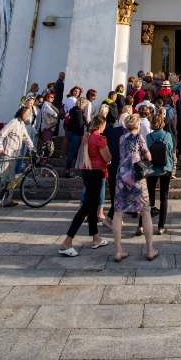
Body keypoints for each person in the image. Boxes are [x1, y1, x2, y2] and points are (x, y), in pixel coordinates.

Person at [59, 114, 111, 255]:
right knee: (86, 208)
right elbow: (107, 157)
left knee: (93, 206)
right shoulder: (99, 139)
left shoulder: (86, 137)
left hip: (87, 171)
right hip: (96, 172)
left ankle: (96, 238)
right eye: (104, 125)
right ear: (101, 126)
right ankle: (67, 241)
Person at [112, 114, 158, 262]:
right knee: (145, 212)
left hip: (122, 176)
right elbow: (148, 157)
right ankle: (150, 249)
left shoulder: (121, 138)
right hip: (136, 177)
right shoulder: (139, 138)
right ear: (137, 126)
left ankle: (118, 251)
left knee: (118, 212)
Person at [137, 113, 174, 235]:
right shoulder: (167, 135)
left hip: (152, 169)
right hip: (165, 168)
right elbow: (171, 150)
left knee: (148, 197)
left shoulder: (149, 137)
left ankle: (141, 225)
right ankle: (161, 226)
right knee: (164, 197)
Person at [0, 104, 35, 206]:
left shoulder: (21, 125)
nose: (28, 116)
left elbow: (26, 138)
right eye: (27, 114)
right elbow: (1, 134)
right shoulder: (13, 122)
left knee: (11, 179)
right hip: (7, 154)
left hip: (14, 156)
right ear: (22, 113)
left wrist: (32, 148)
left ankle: (7, 200)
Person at [102, 120, 128, 231]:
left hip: (111, 163)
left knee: (114, 191)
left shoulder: (112, 131)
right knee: (121, 193)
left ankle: (115, 218)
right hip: (120, 165)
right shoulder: (125, 132)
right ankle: (110, 218)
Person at [64, 98, 87, 179]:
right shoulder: (79, 112)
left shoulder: (73, 110)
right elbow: (79, 124)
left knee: (70, 153)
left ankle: (67, 170)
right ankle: (67, 172)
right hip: (75, 134)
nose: (85, 106)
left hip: (70, 132)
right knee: (71, 153)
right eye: (84, 104)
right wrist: (85, 121)